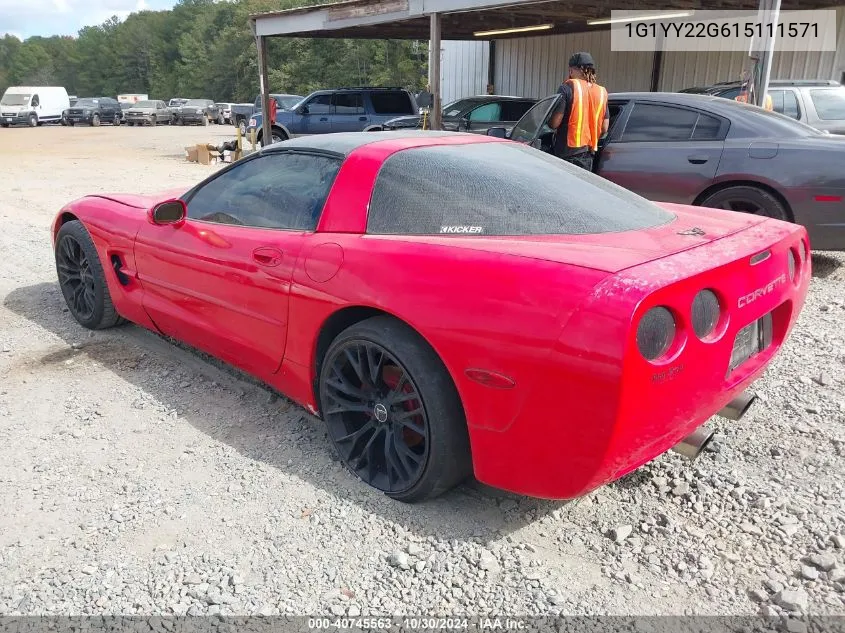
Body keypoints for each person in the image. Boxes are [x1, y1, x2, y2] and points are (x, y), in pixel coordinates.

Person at [548, 52, 609, 171]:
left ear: (571, 70)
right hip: (588, 155)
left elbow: (554, 123)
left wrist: (548, 122)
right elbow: (604, 128)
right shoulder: (601, 92)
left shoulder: (567, 87)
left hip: (566, 154)